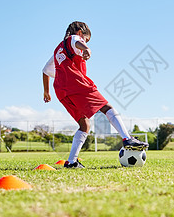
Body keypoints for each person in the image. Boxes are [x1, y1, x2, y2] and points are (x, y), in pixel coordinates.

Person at [42, 21, 148, 168]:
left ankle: (72, 162)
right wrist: (86, 48)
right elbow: (76, 40)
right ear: (80, 32)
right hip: (76, 84)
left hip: (61, 91)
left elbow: (46, 71)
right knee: (107, 107)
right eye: (86, 39)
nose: (85, 42)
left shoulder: (58, 50)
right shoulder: (73, 38)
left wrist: (46, 91)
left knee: (84, 124)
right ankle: (127, 138)